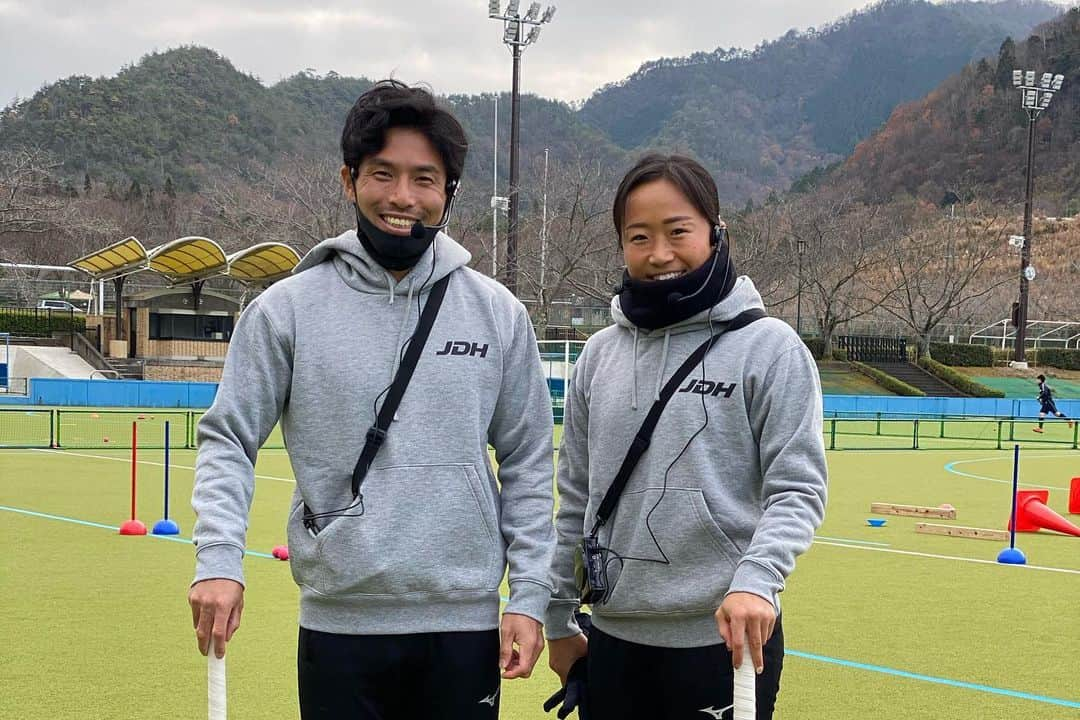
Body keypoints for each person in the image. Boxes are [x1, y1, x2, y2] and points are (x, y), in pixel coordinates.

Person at [188, 80, 556, 719]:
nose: (402, 198)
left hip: (461, 623)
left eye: (424, 178)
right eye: (383, 174)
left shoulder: (498, 314)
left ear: (448, 192)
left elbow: (527, 460)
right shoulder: (285, 310)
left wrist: (527, 596)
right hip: (339, 622)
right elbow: (229, 439)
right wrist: (219, 559)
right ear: (349, 179)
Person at [545, 154, 827, 719]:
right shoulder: (599, 355)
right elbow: (576, 498)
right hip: (613, 640)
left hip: (723, 640)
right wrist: (556, 612)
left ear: (716, 232)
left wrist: (757, 579)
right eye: (639, 236)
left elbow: (797, 490)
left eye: (678, 231)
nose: (659, 254)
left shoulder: (769, 347)